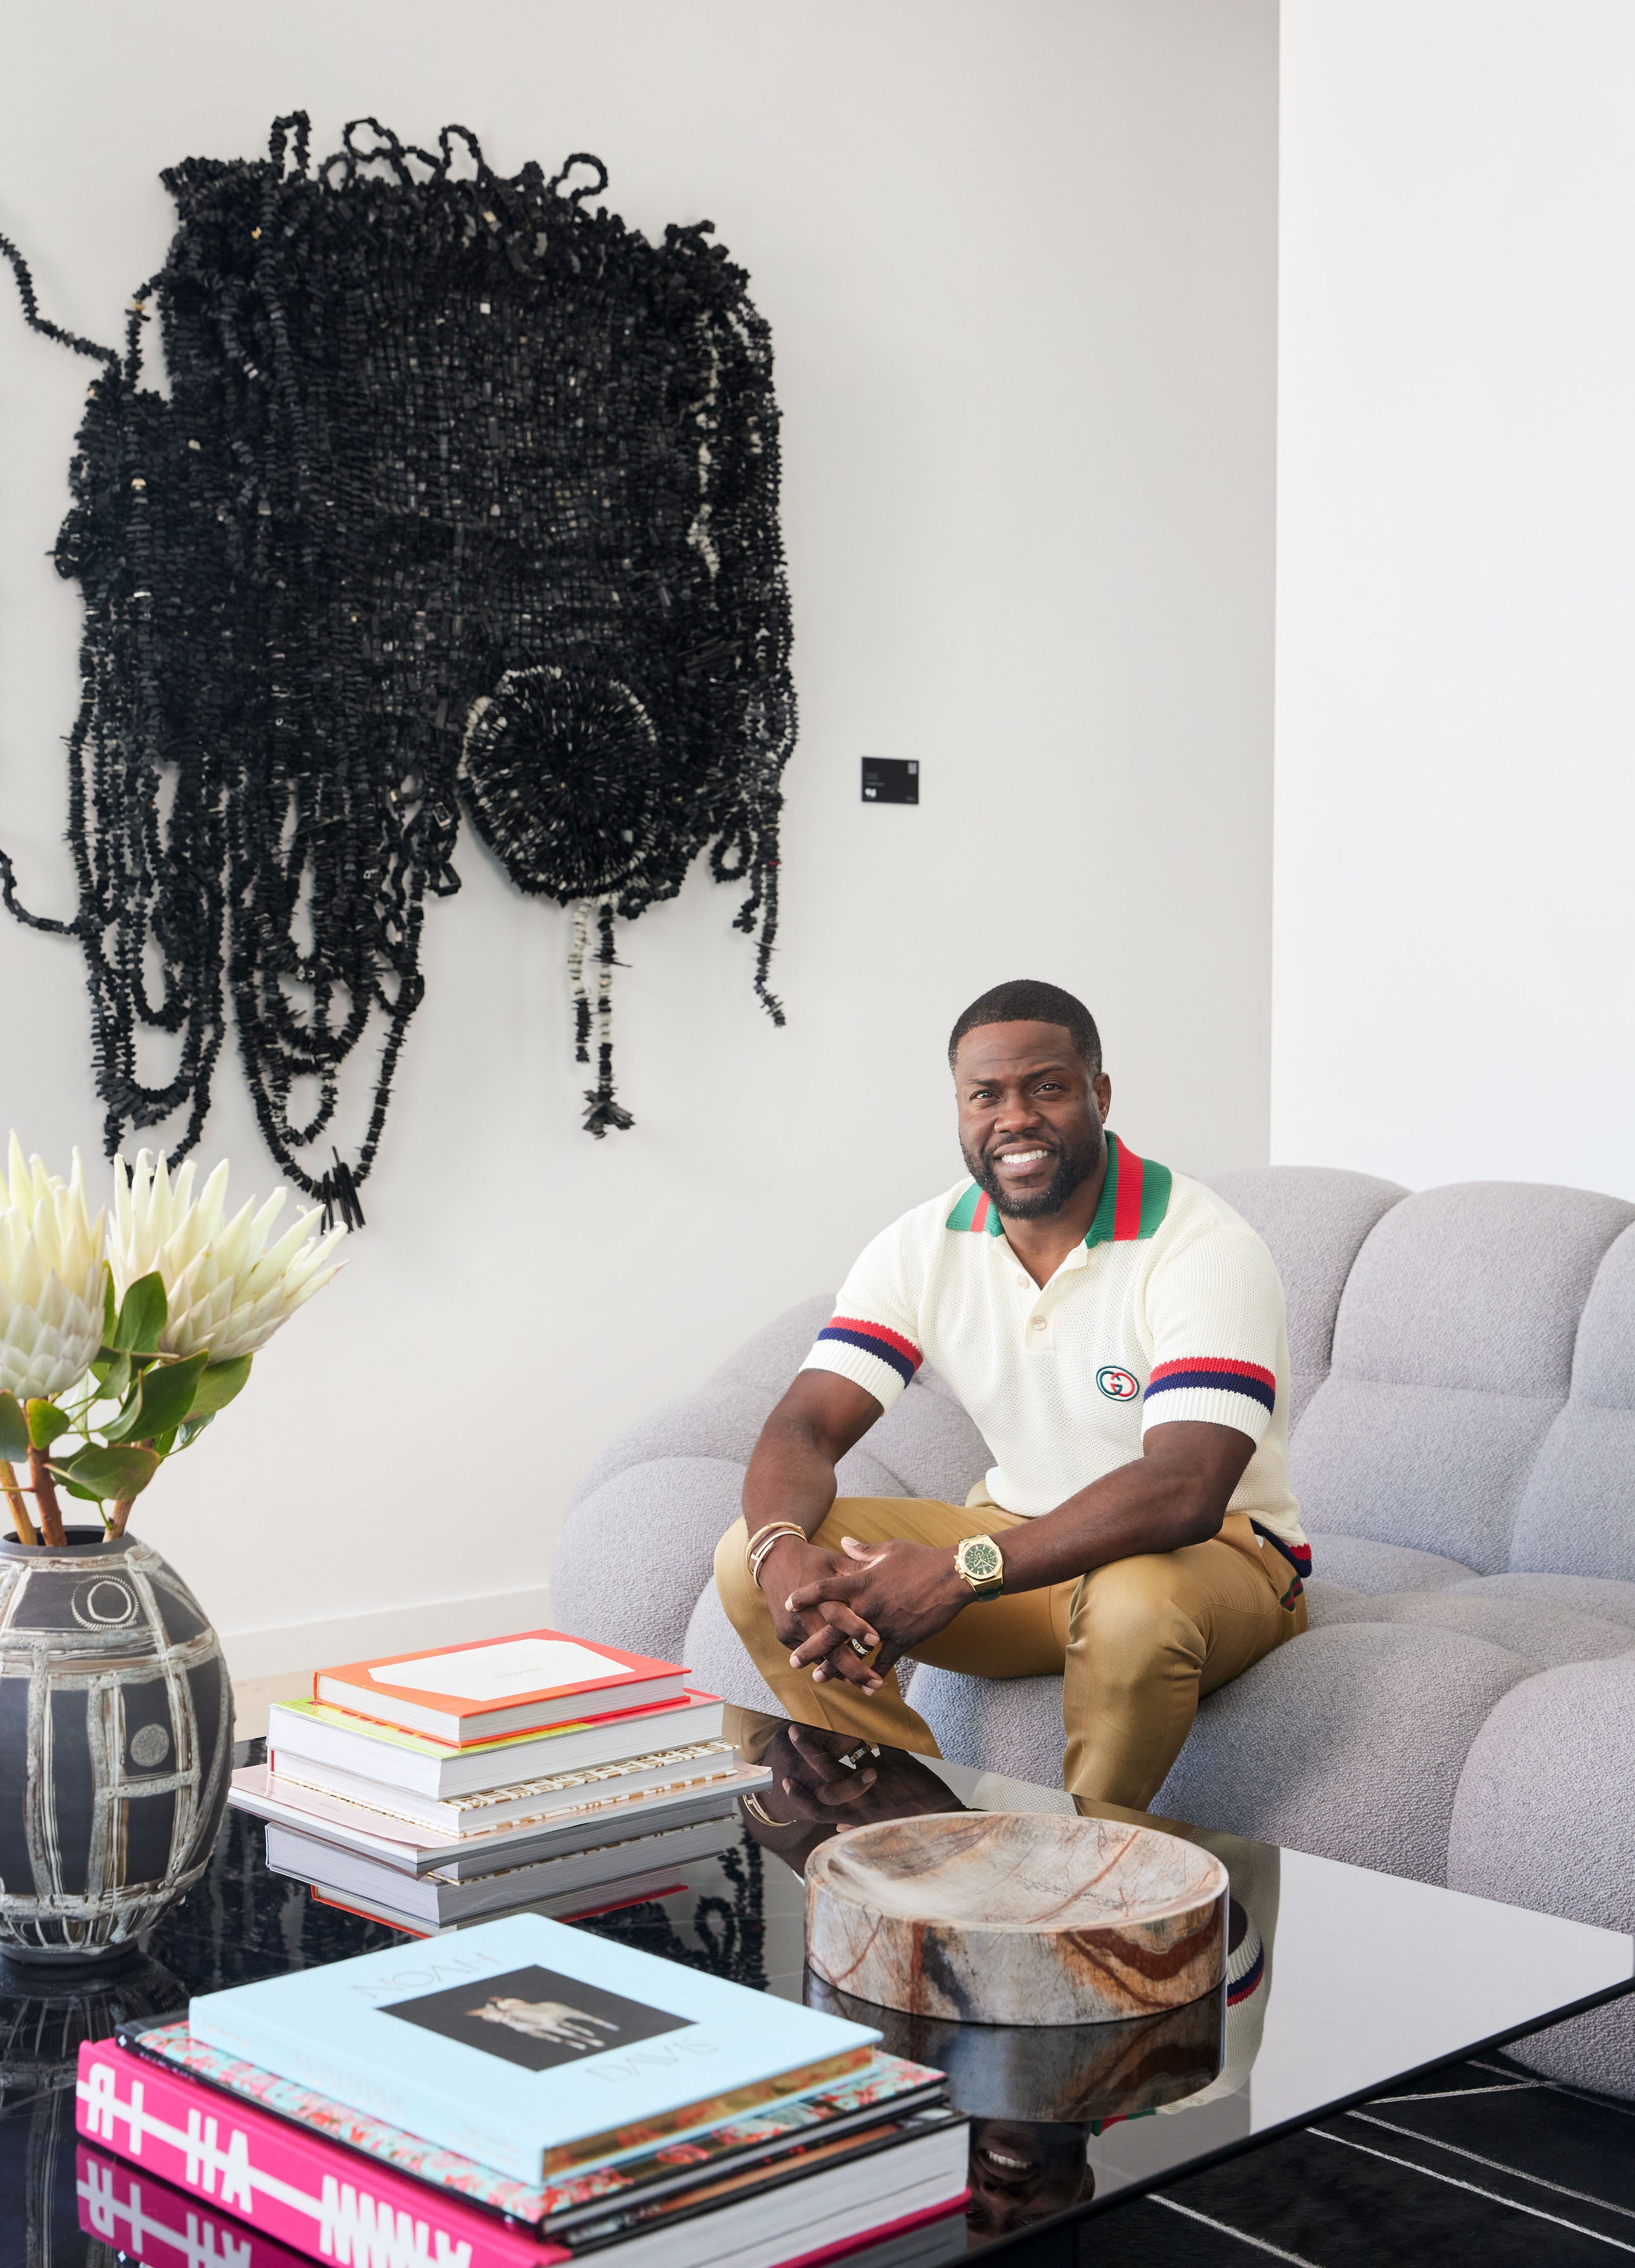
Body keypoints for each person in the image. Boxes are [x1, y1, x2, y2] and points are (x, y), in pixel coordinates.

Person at [714, 978, 1311, 1811]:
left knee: (1134, 1604)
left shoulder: (1203, 1244)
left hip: (1218, 1560)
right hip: (1024, 1553)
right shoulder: (923, 1243)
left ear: (1099, 1095)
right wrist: (780, 1547)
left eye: (1049, 1088)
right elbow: (806, 1424)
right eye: (986, 1095)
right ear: (959, 1109)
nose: (1015, 1117)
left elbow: (1187, 1487)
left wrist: (964, 1568)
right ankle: (908, 1820)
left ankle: (1086, 1866)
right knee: (749, 1558)